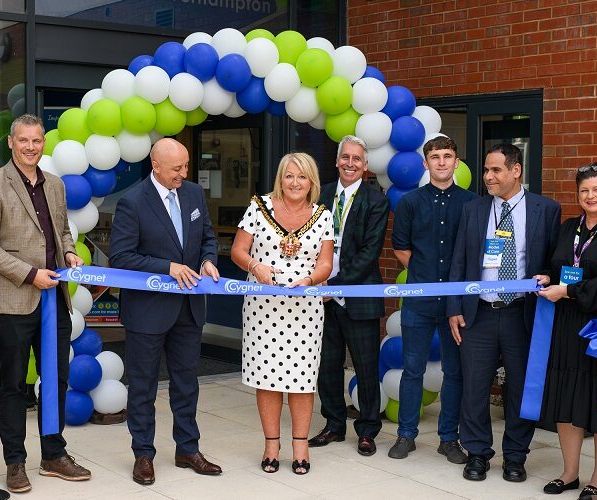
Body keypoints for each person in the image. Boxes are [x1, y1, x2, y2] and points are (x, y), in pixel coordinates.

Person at [0, 114, 89, 494]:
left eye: (37, 141)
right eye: (24, 141)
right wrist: (28, 273)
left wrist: (69, 254)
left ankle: (53, 455)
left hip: (54, 297)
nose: (31, 147)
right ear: (11, 142)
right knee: (14, 384)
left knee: (56, 380)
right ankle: (14, 462)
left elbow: (62, 232)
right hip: (12, 299)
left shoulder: (54, 184)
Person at [109, 138, 223, 486]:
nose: (184, 174)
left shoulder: (192, 195)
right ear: (155, 165)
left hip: (189, 309)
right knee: (143, 386)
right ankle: (143, 454)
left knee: (186, 384)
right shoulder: (132, 202)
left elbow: (207, 237)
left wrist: (207, 260)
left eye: (186, 166)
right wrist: (168, 267)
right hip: (147, 312)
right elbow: (122, 257)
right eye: (177, 168)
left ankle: (188, 448)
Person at [448, 143, 560, 482]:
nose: (487, 177)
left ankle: (515, 457)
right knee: (475, 388)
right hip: (478, 313)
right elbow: (459, 261)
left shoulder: (546, 209)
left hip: (521, 315)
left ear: (516, 170)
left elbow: (555, 260)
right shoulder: (474, 209)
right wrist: (454, 308)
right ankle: (478, 453)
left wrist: (551, 276)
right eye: (485, 170)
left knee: (521, 388)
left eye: (495, 170)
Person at [230, 152, 334, 475]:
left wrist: (311, 279)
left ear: (311, 181)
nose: (295, 182)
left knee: (302, 380)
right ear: (280, 178)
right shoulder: (259, 208)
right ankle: (271, 444)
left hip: (305, 311)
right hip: (263, 308)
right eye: (289, 176)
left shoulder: (323, 215)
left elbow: (326, 264)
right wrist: (254, 266)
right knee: (268, 378)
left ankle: (300, 445)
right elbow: (237, 250)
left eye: (302, 177)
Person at [535, 163, 597, 498]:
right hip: (564, 326)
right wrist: (547, 276)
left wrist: (569, 291)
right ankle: (570, 472)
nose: (590, 196)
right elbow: (557, 263)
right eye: (584, 190)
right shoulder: (569, 227)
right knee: (565, 399)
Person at [389, 136, 477, 462]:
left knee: (454, 372)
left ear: (456, 162)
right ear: (426, 164)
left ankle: (448, 438)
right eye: (435, 157)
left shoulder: (472, 203)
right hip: (419, 301)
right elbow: (400, 247)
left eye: (448, 156)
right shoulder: (410, 202)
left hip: (457, 303)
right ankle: (405, 435)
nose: (441, 162)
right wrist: (424, 275)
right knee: (413, 369)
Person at [308, 135, 389, 456]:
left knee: (365, 367)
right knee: (327, 366)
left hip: (357, 296)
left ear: (365, 165)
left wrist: (335, 285)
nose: (351, 163)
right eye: (346, 157)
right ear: (337, 160)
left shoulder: (376, 200)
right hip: (320, 295)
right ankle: (334, 424)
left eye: (357, 159)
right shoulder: (321, 194)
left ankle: (368, 429)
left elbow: (370, 253)